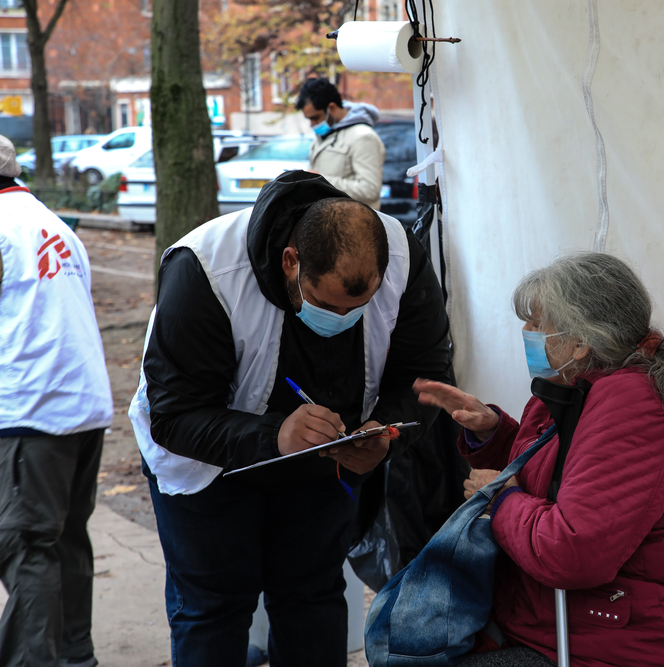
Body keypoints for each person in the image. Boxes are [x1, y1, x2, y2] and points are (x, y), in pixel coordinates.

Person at [129, 169, 451, 666]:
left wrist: (387, 432)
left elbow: (425, 373)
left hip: (323, 459)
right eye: (326, 305)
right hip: (206, 466)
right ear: (290, 261)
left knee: (312, 597)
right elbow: (174, 416)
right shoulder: (206, 270)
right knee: (213, 607)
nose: (341, 321)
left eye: (359, 308)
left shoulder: (401, 258)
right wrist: (274, 434)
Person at [414, 253, 664, 667]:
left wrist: (502, 499)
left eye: (537, 324)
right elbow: (567, 475)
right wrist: (493, 433)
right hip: (569, 628)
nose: (525, 333)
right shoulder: (576, 386)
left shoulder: (634, 405)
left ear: (581, 342)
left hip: (627, 647)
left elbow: (572, 553)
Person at [0, 134, 113, 667]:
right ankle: (75, 657)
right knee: (65, 539)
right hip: (80, 403)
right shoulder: (51, 223)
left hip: (30, 407)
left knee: (26, 545)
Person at [296, 77, 386, 210]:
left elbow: (370, 190)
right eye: (309, 119)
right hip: (326, 218)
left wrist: (321, 181)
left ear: (332, 108)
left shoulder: (363, 136)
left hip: (354, 220)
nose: (312, 124)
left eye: (315, 118)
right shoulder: (325, 134)